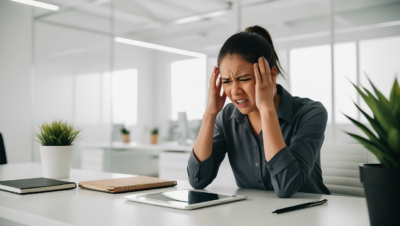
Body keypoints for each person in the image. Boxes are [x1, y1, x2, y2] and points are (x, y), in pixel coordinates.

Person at [187, 25, 331, 198]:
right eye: (227, 81)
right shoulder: (226, 118)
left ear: (271, 75)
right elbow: (198, 179)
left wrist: (267, 109)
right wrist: (210, 114)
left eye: (244, 79)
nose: (234, 91)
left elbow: (287, 186)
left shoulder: (311, 113)